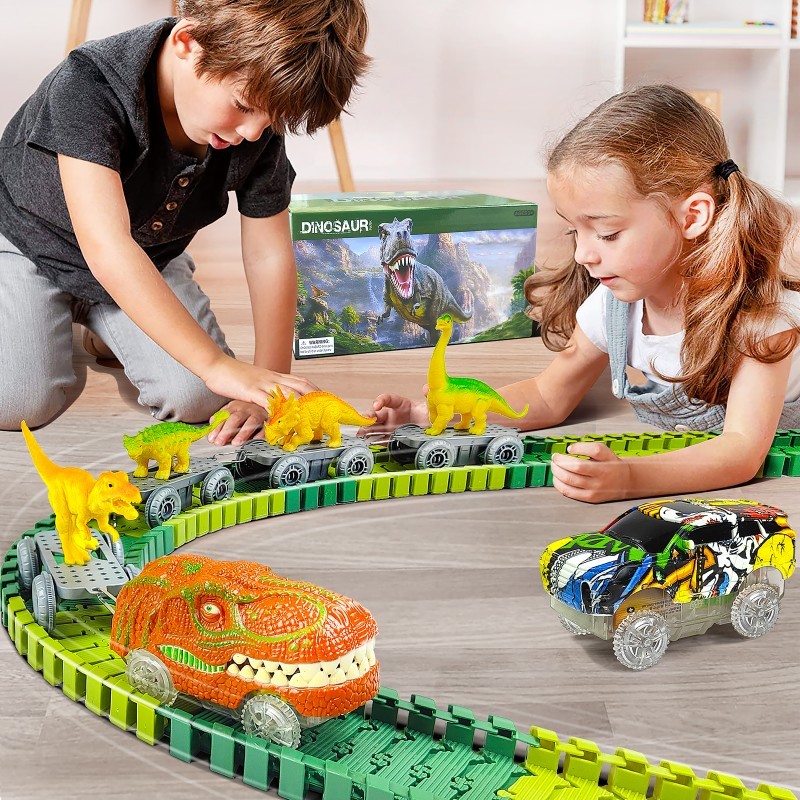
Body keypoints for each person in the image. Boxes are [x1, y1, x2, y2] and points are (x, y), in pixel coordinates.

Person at [361, 85, 800, 503]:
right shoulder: (615, 305)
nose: (583, 254)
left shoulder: (761, 320)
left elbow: (741, 449)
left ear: (692, 217)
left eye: (607, 234)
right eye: (575, 231)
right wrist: (425, 414)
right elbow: (547, 396)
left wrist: (631, 478)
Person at [0, 0, 370, 445]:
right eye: (242, 105)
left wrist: (267, 388)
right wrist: (215, 364)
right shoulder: (88, 84)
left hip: (149, 257)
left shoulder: (253, 118)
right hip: (30, 245)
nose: (253, 133)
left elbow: (268, 253)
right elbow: (108, 246)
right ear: (187, 42)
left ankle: (103, 331)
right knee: (17, 403)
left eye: (270, 119)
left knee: (197, 398)